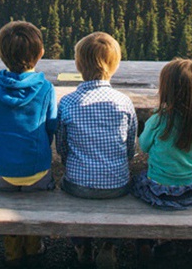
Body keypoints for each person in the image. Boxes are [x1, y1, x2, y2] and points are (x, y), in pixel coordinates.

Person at [56, 32, 138, 268]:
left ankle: (82, 244)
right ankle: (110, 244)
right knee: (126, 191)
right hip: (117, 185)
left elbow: (62, 147)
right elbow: (130, 148)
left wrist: (73, 163)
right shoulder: (124, 102)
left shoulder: (68, 102)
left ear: (78, 65)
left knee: (66, 190)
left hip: (77, 186)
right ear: (115, 66)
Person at [0, 21, 57, 268]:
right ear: (40, 54)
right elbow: (51, 128)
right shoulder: (45, 88)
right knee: (38, 189)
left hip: (2, 172)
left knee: (2, 184)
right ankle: (34, 246)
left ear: (1, 54)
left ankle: (12, 250)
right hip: (37, 172)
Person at [132, 58, 192, 265]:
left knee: (137, 180)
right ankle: (166, 241)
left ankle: (145, 239)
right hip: (189, 192)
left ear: (166, 89)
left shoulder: (159, 119)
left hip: (157, 190)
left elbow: (144, 145)